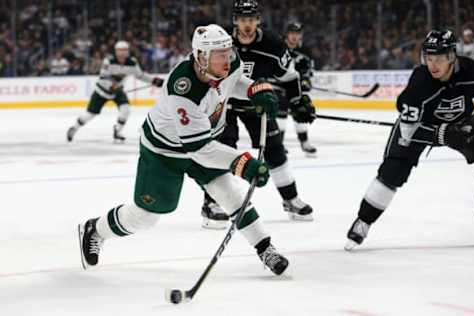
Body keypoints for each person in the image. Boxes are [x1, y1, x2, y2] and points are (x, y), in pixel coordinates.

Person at [78, 24, 289, 276]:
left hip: (204, 142)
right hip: (164, 153)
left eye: (228, 51)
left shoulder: (230, 63)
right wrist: (242, 163)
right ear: (201, 57)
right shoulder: (183, 90)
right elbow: (200, 150)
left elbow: (234, 83)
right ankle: (96, 229)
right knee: (145, 217)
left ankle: (265, 248)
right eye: (219, 55)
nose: (227, 58)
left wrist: (254, 89)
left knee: (230, 195)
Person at [345, 29, 474, 250]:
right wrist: (440, 134)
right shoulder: (420, 82)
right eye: (429, 57)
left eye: (439, 58)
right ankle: (363, 222)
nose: (433, 64)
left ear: (452, 56)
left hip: (461, 122)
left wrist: (456, 131)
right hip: (421, 126)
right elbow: (408, 134)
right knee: (393, 172)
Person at [200, 0, 316, 229]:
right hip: (221, 105)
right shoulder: (220, 40)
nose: (247, 25)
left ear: (258, 20)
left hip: (257, 103)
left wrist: (298, 101)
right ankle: (212, 204)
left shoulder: (272, 44)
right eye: (243, 19)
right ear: (235, 20)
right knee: (222, 152)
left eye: (251, 19)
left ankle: (290, 199)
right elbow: (201, 71)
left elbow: (290, 77)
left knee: (275, 149)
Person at [66, 41, 163, 142]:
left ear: (127, 52)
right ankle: (74, 128)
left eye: (124, 50)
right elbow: (103, 76)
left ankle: (117, 131)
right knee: (90, 114)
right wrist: (111, 85)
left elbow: (140, 75)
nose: (122, 53)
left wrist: (153, 80)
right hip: (101, 91)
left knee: (125, 109)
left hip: (117, 91)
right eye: (119, 51)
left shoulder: (132, 62)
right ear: (116, 52)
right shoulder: (109, 60)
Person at [277, 21, 317, 157]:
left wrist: (306, 80)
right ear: (286, 35)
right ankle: (279, 144)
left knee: (301, 111)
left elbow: (308, 71)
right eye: (292, 33)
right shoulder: (279, 48)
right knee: (280, 114)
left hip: (296, 89)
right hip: (279, 88)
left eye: (297, 34)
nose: (294, 36)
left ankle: (305, 143)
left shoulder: (305, 52)